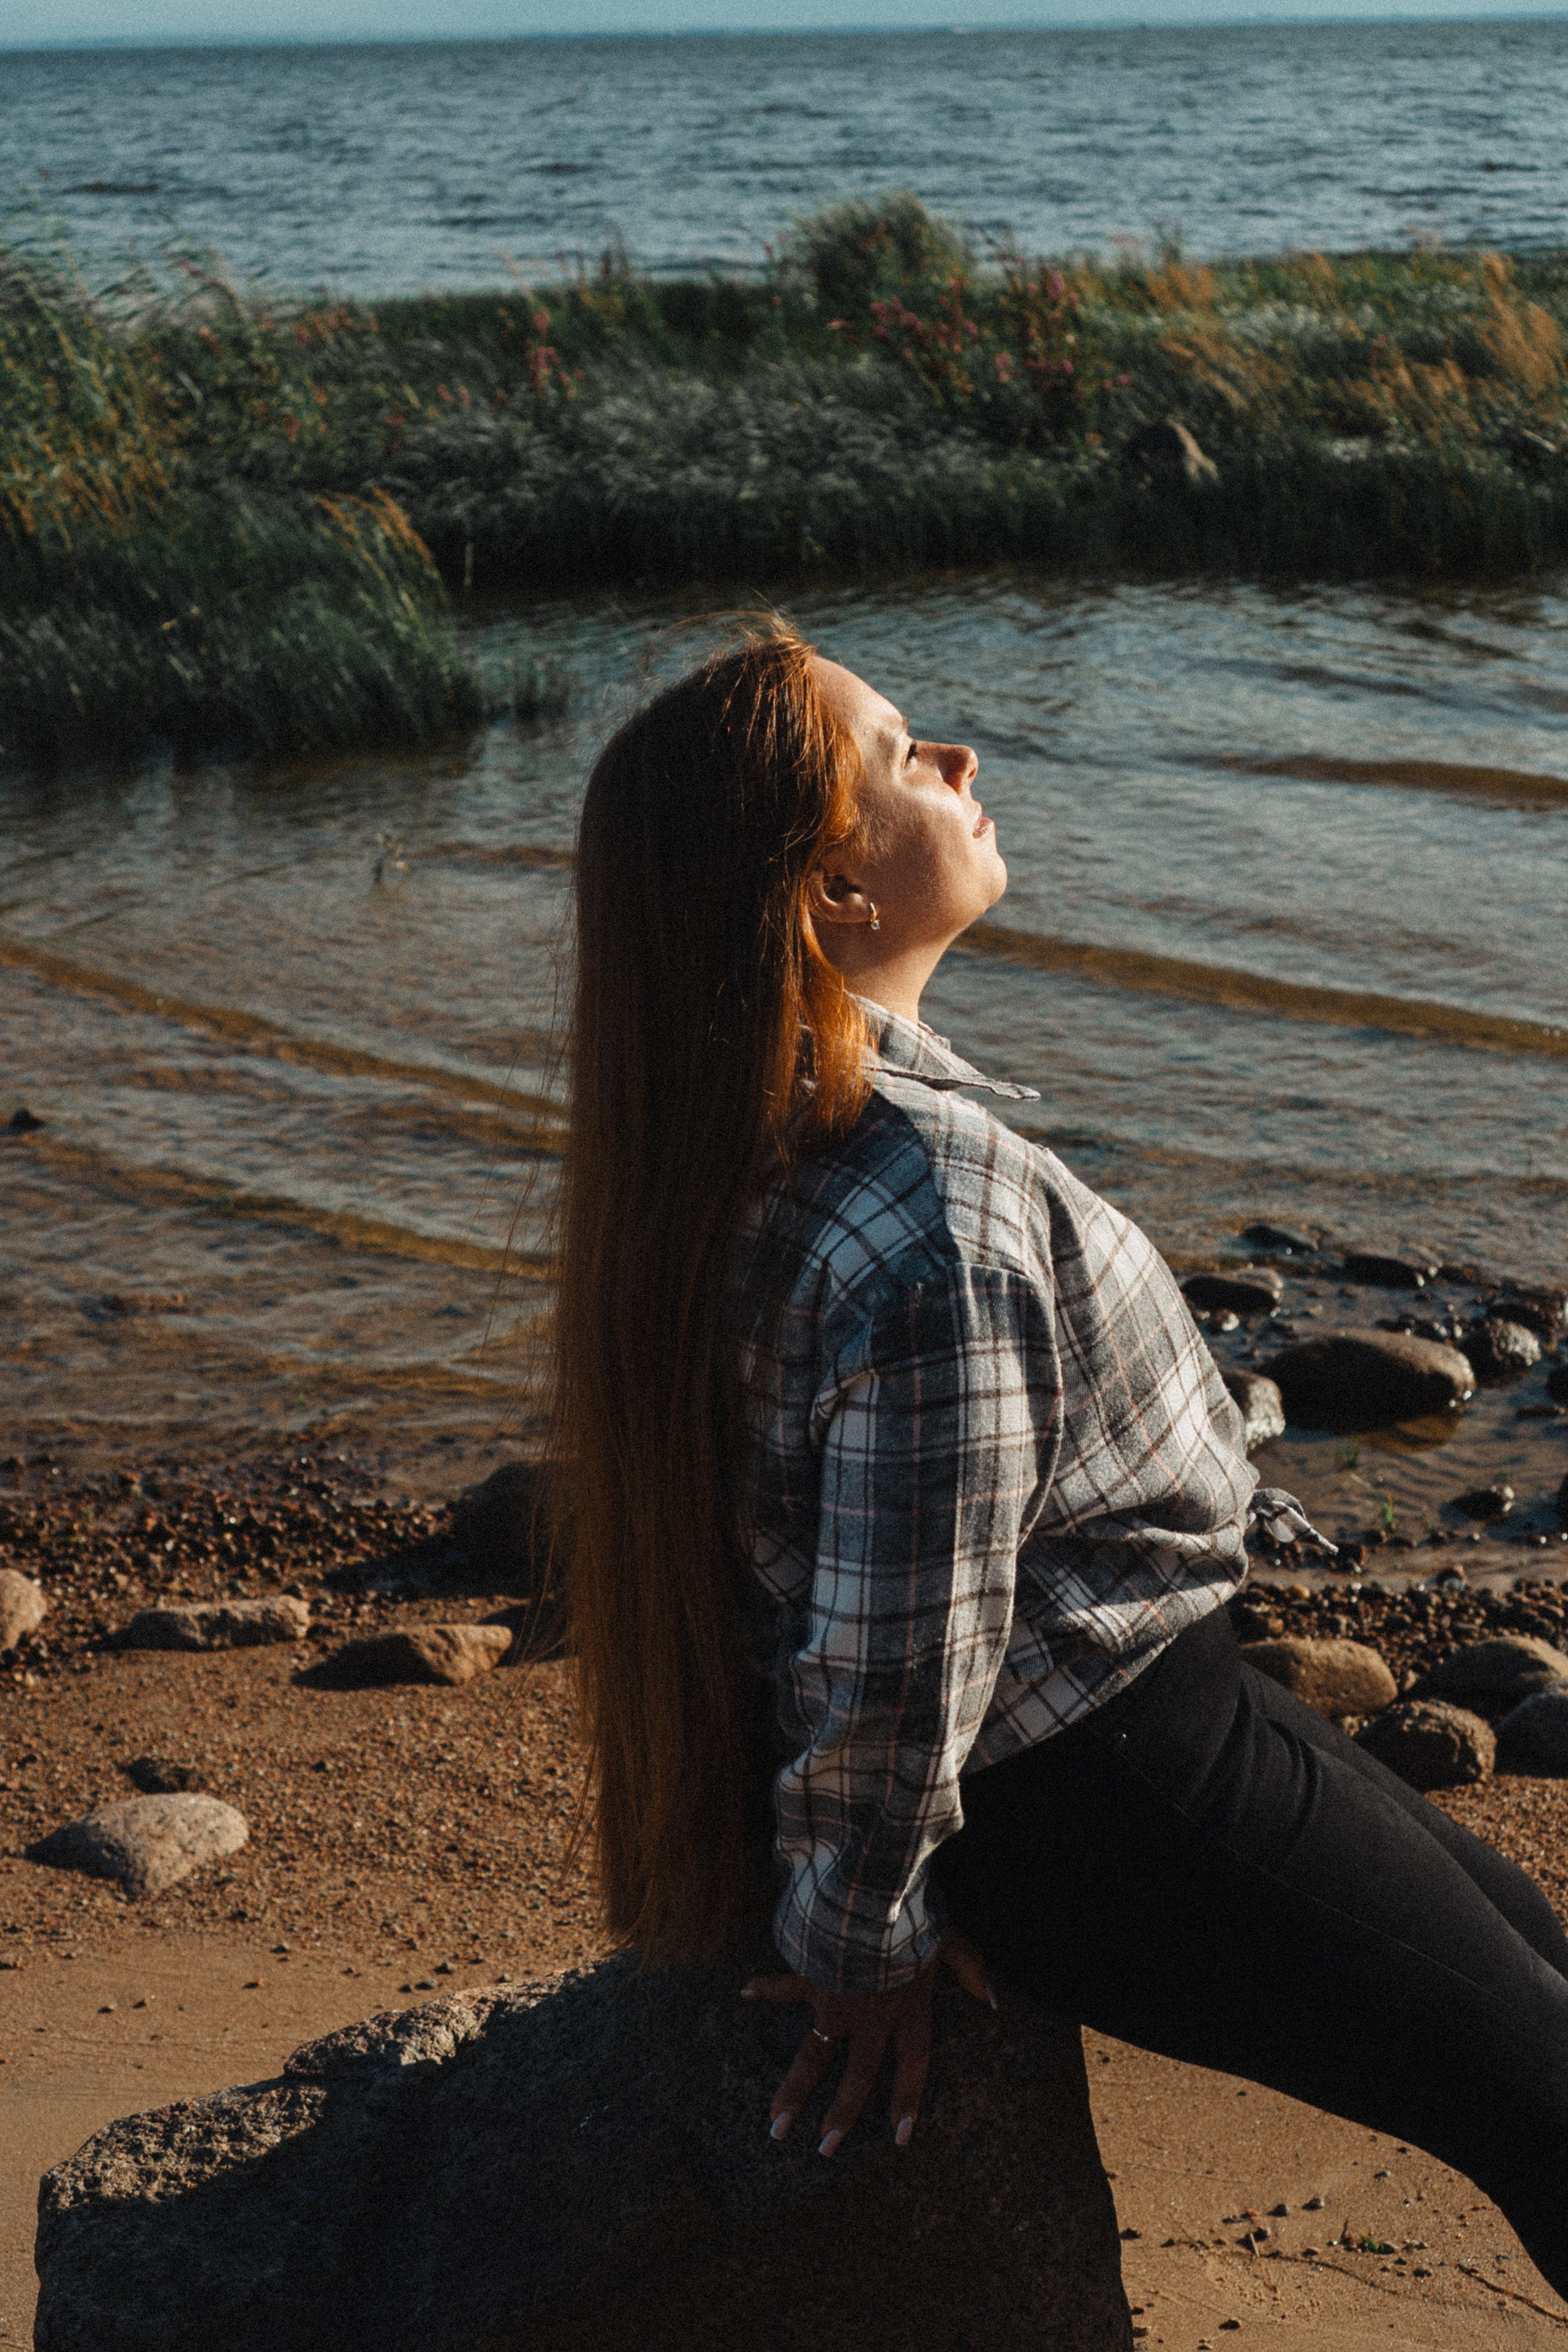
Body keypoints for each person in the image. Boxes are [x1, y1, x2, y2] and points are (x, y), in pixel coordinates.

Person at [550, 622, 1568, 2297]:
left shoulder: (741, 1147)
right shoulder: (933, 1219)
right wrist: (861, 1940)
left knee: (1537, 1985)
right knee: (1545, 2099)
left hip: (1117, 1735)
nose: (956, 758)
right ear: (833, 898)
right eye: (900, 755)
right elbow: (898, 1643)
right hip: (1102, 1779)